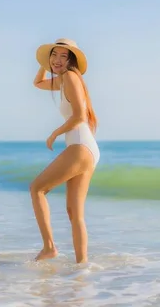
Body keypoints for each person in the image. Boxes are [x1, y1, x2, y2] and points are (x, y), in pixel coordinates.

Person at [31, 38, 100, 263]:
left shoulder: (69, 77)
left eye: (63, 56)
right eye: (54, 55)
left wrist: (55, 133)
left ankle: (49, 247)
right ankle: (82, 267)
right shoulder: (63, 80)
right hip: (86, 148)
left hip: (80, 146)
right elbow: (38, 83)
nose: (58, 60)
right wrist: (45, 62)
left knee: (37, 189)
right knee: (74, 213)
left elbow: (79, 115)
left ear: (71, 61)